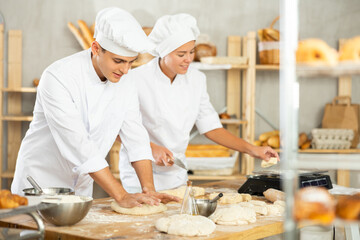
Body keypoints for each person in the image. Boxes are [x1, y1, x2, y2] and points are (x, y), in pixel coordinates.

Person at [11, 7, 177, 207]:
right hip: (41, 183)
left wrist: (149, 190)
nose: (125, 70)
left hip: (81, 187)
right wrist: (122, 195)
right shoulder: (58, 78)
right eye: (119, 61)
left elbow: (135, 136)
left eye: (131, 63)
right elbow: (79, 145)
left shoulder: (126, 80)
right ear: (96, 48)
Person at [119, 14, 280, 192]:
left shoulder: (196, 79)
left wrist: (253, 150)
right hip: (138, 175)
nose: (189, 59)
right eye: (181, 54)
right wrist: (151, 148)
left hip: (175, 173)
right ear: (164, 52)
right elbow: (118, 126)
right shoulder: (135, 80)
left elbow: (211, 127)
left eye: (191, 51)